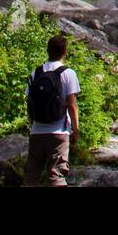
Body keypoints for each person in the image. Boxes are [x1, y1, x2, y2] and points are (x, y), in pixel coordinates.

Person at [25, 33, 80, 187]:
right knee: (57, 175)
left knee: (32, 175)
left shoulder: (35, 73)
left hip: (37, 131)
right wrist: (75, 130)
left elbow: (29, 101)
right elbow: (72, 104)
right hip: (59, 132)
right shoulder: (68, 73)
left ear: (47, 50)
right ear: (65, 52)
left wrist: (32, 123)